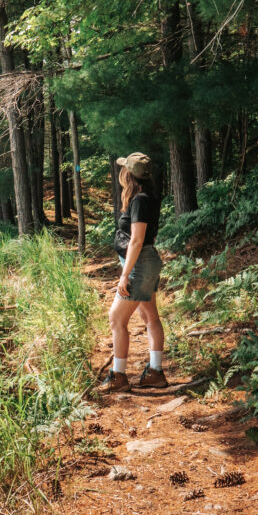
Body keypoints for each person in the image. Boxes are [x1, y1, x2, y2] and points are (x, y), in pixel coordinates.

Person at [99, 152, 167, 392]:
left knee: (116, 319)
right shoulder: (147, 197)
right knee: (150, 318)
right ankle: (155, 373)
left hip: (140, 264)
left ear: (129, 174)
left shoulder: (139, 201)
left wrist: (125, 275)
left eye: (124, 169)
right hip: (147, 261)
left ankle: (118, 376)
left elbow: (137, 241)